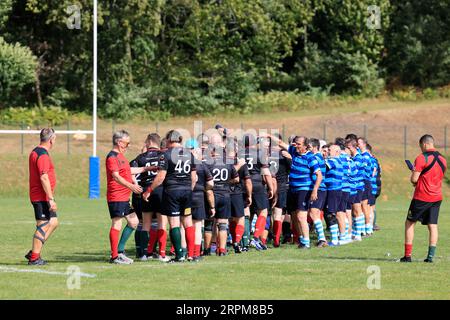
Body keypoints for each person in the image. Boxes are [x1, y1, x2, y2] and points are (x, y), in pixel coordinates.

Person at [143, 130, 197, 262]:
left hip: (172, 192)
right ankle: (191, 254)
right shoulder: (189, 154)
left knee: (174, 223)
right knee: (188, 222)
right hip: (187, 191)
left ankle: (179, 255)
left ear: (168, 140)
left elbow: (161, 177)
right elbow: (194, 177)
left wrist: (149, 190)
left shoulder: (165, 155)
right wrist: (189, 189)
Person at [106, 130, 152, 264]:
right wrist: (131, 186)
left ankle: (119, 252)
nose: (128, 146)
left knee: (134, 222)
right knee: (117, 223)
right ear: (119, 142)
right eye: (127, 143)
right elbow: (116, 176)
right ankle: (114, 256)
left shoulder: (121, 157)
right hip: (116, 195)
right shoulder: (112, 157)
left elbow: (129, 171)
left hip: (124, 197)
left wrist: (147, 169)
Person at [268, 134, 322, 249]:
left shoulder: (310, 158)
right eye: (295, 143)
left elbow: (319, 175)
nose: (296, 145)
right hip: (293, 189)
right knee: (296, 216)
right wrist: (268, 135)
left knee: (301, 216)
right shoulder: (293, 151)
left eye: (298, 144)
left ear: (306, 146)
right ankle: (302, 239)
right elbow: (280, 143)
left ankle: (306, 242)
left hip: (304, 189)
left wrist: (315, 190)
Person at [400, 134, 447, 263]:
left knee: (410, 223)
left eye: (421, 146)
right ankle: (430, 257)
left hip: (422, 196)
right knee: (433, 225)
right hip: (437, 197)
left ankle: (407, 256)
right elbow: (435, 176)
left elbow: (414, 179)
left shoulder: (422, 158)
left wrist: (415, 179)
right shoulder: (443, 159)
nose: (421, 149)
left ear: (425, 144)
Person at [130, 133, 169, 262]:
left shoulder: (140, 157)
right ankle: (162, 254)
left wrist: (135, 184)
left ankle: (143, 254)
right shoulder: (163, 156)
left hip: (145, 191)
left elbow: (130, 170)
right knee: (161, 223)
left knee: (145, 224)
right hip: (160, 191)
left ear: (149, 141)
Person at [26, 128, 59, 265]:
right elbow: (44, 177)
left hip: (41, 196)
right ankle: (34, 257)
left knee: (53, 222)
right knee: (44, 225)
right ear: (51, 139)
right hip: (42, 197)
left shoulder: (35, 151)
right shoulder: (42, 155)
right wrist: (51, 199)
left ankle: (34, 251)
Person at [206, 134, 239, 256]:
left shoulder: (208, 164)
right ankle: (222, 250)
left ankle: (208, 249)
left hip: (213, 195)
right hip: (225, 195)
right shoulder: (228, 164)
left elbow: (206, 181)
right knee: (223, 224)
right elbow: (236, 179)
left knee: (209, 223)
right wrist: (226, 182)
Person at [240, 133, 274, 250]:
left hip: (243, 185)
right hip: (257, 184)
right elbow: (266, 173)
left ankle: (244, 243)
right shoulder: (260, 153)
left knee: (246, 215)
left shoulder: (238, 154)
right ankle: (255, 238)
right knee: (263, 212)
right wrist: (271, 188)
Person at [268, 134, 292, 247]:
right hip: (281, 186)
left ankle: (270, 237)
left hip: (268, 187)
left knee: (269, 213)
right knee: (278, 213)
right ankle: (276, 239)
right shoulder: (285, 156)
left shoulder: (264, 156)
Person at [309, 138, 328, 247]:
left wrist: (315, 190)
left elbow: (319, 176)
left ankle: (322, 238)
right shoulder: (320, 157)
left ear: (315, 147)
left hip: (319, 188)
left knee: (313, 213)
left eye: (309, 147)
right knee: (314, 213)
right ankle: (322, 238)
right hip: (321, 188)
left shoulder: (315, 158)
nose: (308, 149)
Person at [346, 138, 365, 241]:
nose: (347, 149)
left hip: (357, 186)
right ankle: (355, 231)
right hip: (353, 186)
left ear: (354, 147)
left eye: (348, 147)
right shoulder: (353, 157)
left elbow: (353, 172)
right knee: (353, 210)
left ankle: (358, 234)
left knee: (357, 209)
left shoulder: (358, 158)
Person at [324, 144, 344, 246]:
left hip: (332, 190)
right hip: (336, 191)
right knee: (331, 213)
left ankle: (335, 240)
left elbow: (323, 168)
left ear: (336, 152)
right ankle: (337, 237)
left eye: (329, 150)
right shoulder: (339, 161)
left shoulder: (333, 161)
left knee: (330, 214)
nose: (327, 152)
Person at [357, 137, 374, 236]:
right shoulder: (362, 155)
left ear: (364, 144)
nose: (357, 145)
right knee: (363, 207)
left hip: (365, 182)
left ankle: (368, 229)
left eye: (359, 143)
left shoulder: (366, 156)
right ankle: (366, 228)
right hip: (364, 182)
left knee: (364, 206)